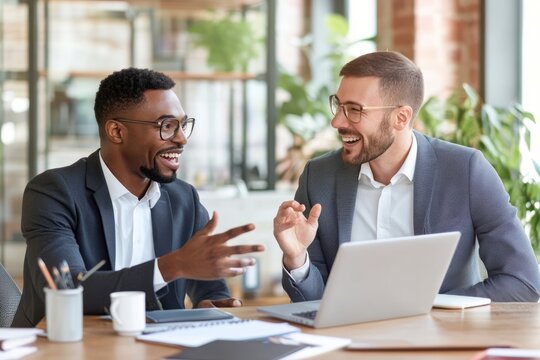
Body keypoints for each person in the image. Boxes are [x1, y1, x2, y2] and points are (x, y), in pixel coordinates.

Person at [273, 51, 540, 303]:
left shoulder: (465, 170)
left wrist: (430, 309)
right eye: (339, 105)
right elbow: (313, 303)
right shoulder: (318, 177)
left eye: (354, 109)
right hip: (350, 348)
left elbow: (522, 282)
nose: (337, 122)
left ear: (400, 118)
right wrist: (297, 259)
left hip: (440, 343)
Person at [12, 68, 265, 327]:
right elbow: (66, 290)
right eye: (167, 126)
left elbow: (210, 289)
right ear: (117, 132)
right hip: (66, 346)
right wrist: (172, 266)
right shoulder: (54, 192)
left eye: (182, 125)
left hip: (159, 347)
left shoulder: (183, 198)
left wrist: (210, 304)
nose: (181, 139)